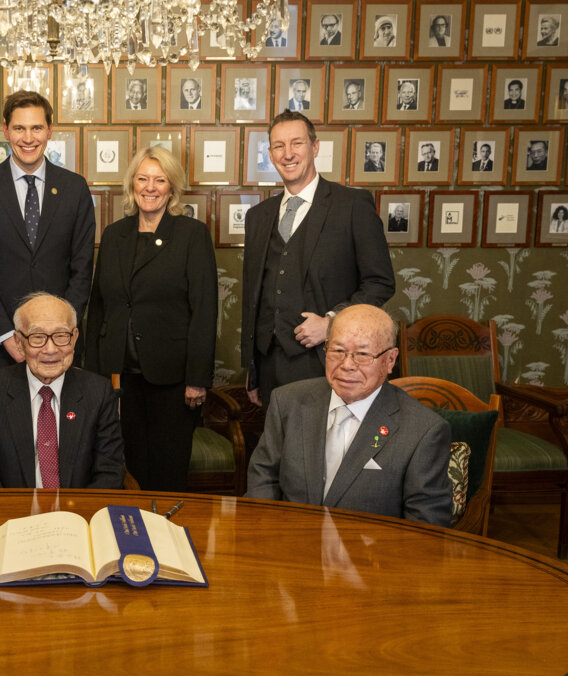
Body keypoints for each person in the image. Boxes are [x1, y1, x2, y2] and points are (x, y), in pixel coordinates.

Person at [246, 304, 452, 527]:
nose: (346, 365)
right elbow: (263, 479)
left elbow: (425, 529)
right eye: (337, 351)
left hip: (371, 557)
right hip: (289, 547)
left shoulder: (423, 430)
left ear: (390, 360)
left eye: (362, 354)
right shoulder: (287, 402)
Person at [85, 146, 217, 492]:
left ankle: (167, 538)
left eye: (159, 180)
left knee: (168, 470)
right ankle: (135, 535)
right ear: (132, 185)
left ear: (172, 187)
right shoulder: (115, 235)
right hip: (122, 380)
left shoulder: (191, 234)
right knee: (132, 470)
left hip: (173, 380)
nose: (150, 186)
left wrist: (197, 379)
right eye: (142, 179)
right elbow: (99, 306)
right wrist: (95, 374)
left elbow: (204, 310)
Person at [241, 111, 394, 408]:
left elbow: (381, 282)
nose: (287, 154)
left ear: (315, 147)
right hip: (269, 363)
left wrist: (332, 323)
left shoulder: (352, 206)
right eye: (278, 146)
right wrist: (253, 369)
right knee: (278, 452)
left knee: (322, 452)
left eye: (296, 143)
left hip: (328, 362)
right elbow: (253, 298)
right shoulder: (258, 217)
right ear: (270, 154)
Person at [0, 90, 95, 374]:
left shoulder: (75, 189)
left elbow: (82, 269)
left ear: (50, 131)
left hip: (59, 347)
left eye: (37, 128)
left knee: (58, 418)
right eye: (19, 128)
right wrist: (7, 335)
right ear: (6, 130)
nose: (28, 138)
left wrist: (61, 335)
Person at [0, 293, 124, 489]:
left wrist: (75, 517)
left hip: (77, 514)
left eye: (61, 336)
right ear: (19, 341)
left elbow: (109, 472)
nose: (50, 349)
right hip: (13, 514)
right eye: (37, 337)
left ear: (74, 339)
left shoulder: (98, 392)